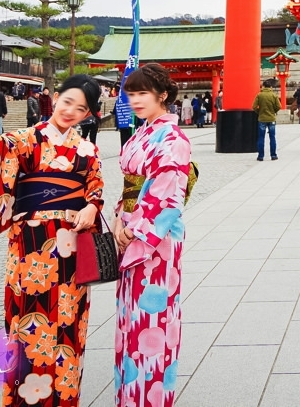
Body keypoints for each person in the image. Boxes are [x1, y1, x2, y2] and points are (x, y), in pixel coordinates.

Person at [0, 75, 104, 406]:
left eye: (81, 108)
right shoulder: (26, 139)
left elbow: (95, 186)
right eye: (67, 101)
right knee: (32, 322)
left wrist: (90, 206)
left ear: (88, 114)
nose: (71, 111)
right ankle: (25, 398)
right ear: (55, 98)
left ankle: (65, 396)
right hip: (31, 246)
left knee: (70, 322)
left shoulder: (87, 148)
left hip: (73, 244)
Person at [113, 64, 191, 404]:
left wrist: (135, 228)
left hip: (155, 240)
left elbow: (168, 191)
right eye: (131, 93)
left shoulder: (173, 139)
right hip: (131, 229)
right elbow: (130, 189)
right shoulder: (141, 133)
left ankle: (153, 397)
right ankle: (131, 394)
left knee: (154, 319)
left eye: (143, 92)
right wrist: (119, 219)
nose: (135, 100)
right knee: (131, 319)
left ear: (162, 95)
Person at [252, 80, 281, 161]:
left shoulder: (259, 95)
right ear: (270, 87)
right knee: (272, 137)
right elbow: (279, 106)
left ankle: (260, 156)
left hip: (262, 118)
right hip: (271, 118)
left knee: (261, 137)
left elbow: (254, 106)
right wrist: (273, 111)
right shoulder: (273, 95)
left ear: (263, 86)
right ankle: (273, 155)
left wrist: (259, 112)